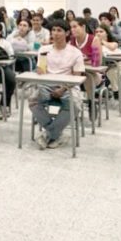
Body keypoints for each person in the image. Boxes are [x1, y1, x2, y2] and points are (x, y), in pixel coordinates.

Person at [32, 20, 85, 148]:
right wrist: (40, 68)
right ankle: (57, 134)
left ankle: (48, 134)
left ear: (67, 33)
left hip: (67, 85)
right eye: (53, 30)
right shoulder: (44, 49)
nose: (55, 33)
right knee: (33, 100)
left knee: (75, 104)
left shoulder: (75, 52)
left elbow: (77, 76)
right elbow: (41, 71)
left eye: (59, 30)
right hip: (47, 84)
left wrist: (63, 89)